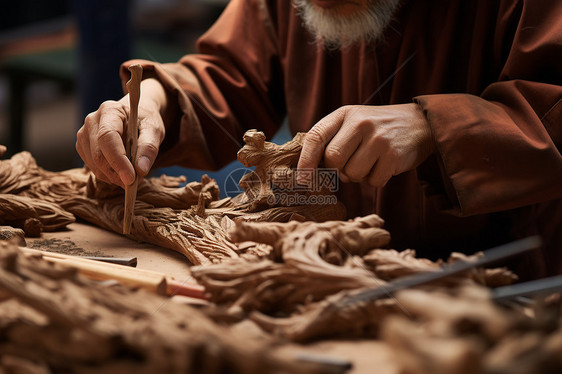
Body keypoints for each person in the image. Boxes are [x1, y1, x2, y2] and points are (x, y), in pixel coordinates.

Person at [76, 0, 562, 279]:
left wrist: (437, 126)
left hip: (513, 281)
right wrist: (159, 101)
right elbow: (231, 70)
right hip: (334, 267)